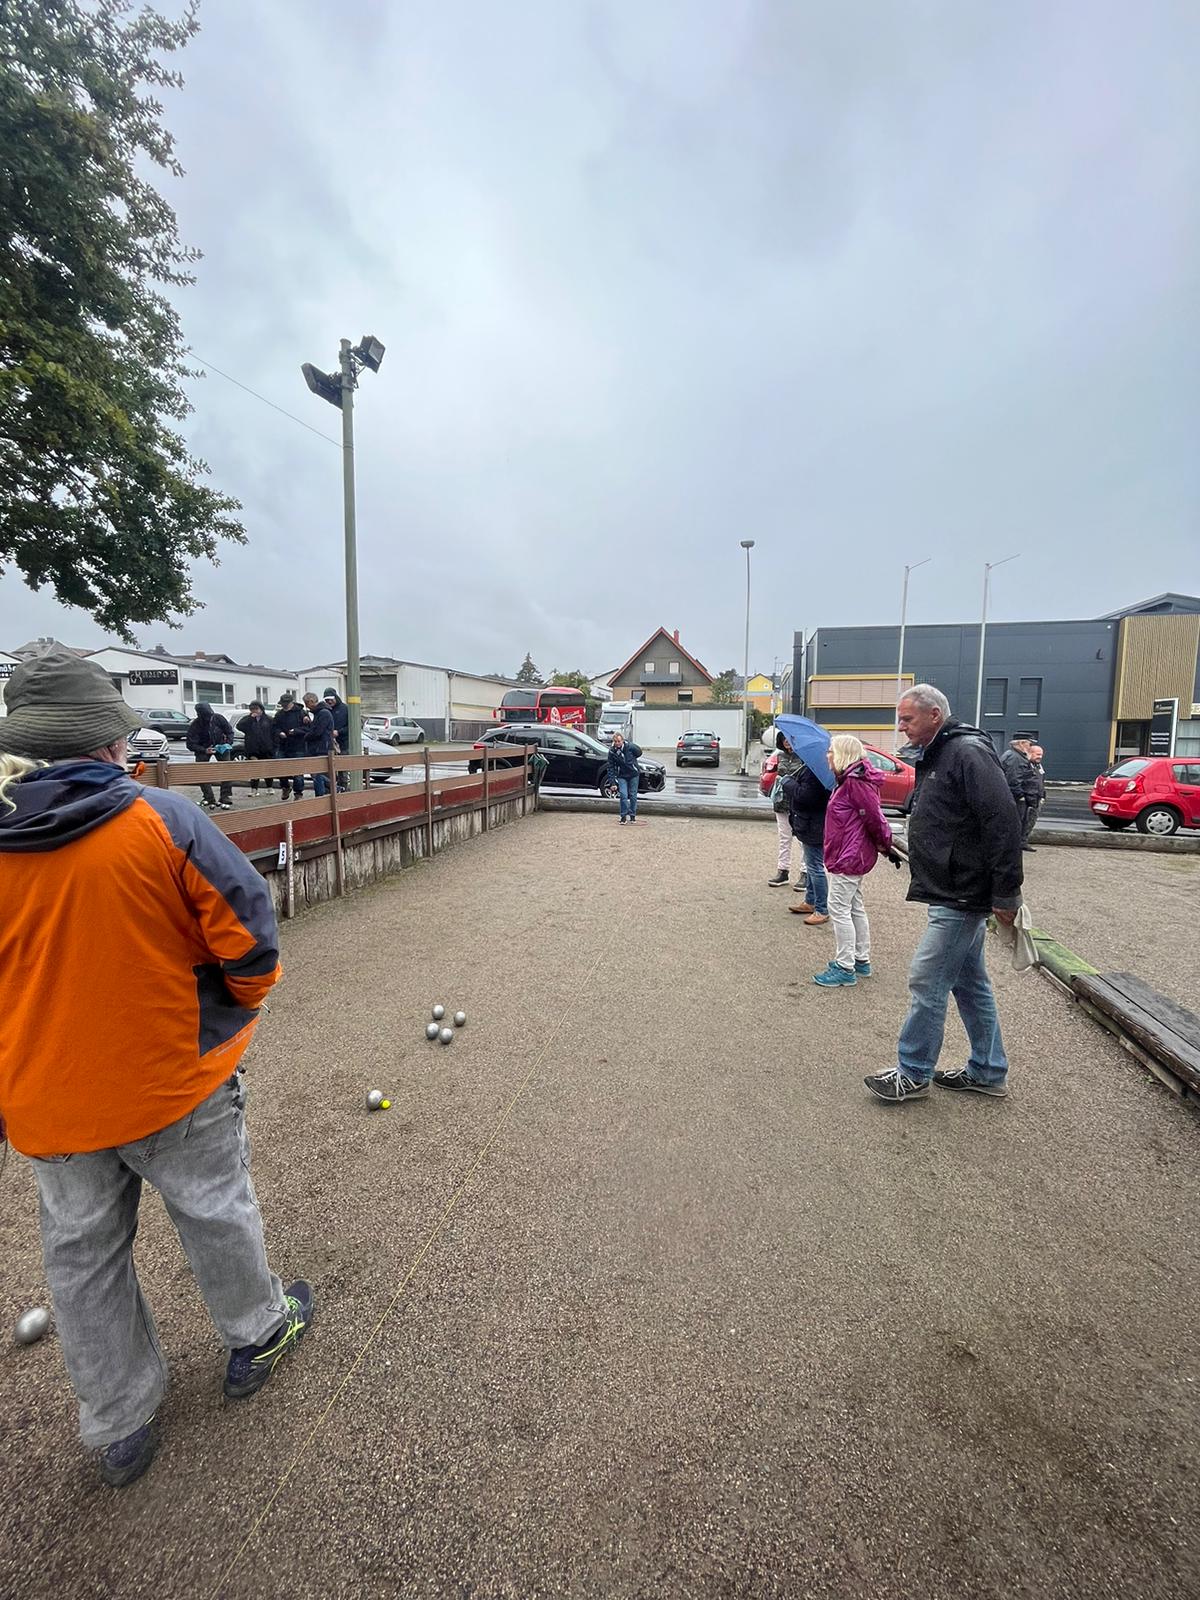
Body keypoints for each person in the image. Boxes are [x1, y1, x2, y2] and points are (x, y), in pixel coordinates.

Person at [0, 647, 311, 1489]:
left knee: (82, 1260)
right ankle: (256, 1334)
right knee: (214, 1211)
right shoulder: (161, 818)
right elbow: (250, 940)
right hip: (170, 1078)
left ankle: (119, 1420)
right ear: (108, 739)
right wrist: (232, 1009)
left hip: (47, 1101)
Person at [864, 684, 1023, 1105]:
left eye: (907, 719)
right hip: (952, 888)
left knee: (927, 978)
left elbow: (1002, 821)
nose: (901, 727)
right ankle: (987, 1070)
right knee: (970, 985)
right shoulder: (940, 752)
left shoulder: (967, 752)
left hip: (963, 893)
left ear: (934, 714)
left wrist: (1007, 892)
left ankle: (913, 1072)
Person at [813, 734, 895, 987]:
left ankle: (845, 966)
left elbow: (875, 817)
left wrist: (885, 844)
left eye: (831, 751)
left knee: (839, 908)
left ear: (842, 755)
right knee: (853, 906)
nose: (827, 755)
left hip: (848, 855)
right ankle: (860, 959)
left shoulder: (854, 782)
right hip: (850, 853)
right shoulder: (851, 780)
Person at [784, 756, 831, 925]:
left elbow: (805, 796)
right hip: (810, 823)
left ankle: (822, 909)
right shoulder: (814, 768)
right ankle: (811, 901)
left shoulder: (816, 771)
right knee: (812, 865)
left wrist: (788, 783)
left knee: (815, 867)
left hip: (814, 825)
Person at [765, 732, 808, 888]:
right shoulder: (780, 756)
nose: (786, 742)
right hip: (782, 801)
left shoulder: (804, 757)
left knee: (803, 839)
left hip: (798, 801)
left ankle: (805, 872)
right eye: (784, 739)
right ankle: (783, 871)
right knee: (784, 838)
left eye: (789, 738)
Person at [186, 701, 235, 809]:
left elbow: (230, 732)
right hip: (203, 748)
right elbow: (190, 744)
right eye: (206, 716)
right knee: (201, 771)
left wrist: (228, 743)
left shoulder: (219, 718)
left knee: (227, 769)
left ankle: (225, 796)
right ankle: (208, 797)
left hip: (221, 746)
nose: (209, 718)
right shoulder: (195, 725)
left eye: (210, 715)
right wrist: (204, 750)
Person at [1000, 736, 1040, 853]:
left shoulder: (1015, 755)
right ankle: (1011, 848)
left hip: (1015, 796)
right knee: (1015, 823)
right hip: (1016, 798)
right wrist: (1021, 796)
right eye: (1029, 744)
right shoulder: (1015, 758)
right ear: (1022, 744)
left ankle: (1014, 845)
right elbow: (1013, 779)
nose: (1030, 747)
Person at [297, 691, 335, 799]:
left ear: (311, 701)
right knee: (318, 775)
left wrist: (306, 736)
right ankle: (326, 795)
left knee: (319, 775)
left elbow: (318, 731)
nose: (306, 707)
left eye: (307, 703)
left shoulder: (323, 713)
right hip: (320, 747)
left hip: (321, 748)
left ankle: (326, 794)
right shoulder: (321, 713)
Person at [273, 691, 308, 800]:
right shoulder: (279, 714)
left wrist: (296, 731)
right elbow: (274, 727)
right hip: (283, 745)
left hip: (298, 746)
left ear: (291, 703)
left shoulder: (301, 713)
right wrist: (279, 732)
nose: (284, 706)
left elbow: (308, 728)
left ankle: (298, 793)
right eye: (283, 704)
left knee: (298, 771)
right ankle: (285, 787)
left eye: (286, 704)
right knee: (280, 767)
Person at [237, 701, 277, 794]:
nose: (254, 711)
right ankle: (254, 789)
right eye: (252, 709)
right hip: (253, 749)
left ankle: (270, 787)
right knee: (254, 769)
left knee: (267, 769)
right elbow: (239, 726)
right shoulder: (248, 719)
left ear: (261, 709)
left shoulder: (269, 720)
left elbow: (274, 733)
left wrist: (273, 746)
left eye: (256, 709)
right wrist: (250, 719)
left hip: (266, 749)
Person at [606, 731, 643, 824]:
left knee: (633, 795)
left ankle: (632, 815)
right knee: (623, 795)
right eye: (615, 741)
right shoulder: (612, 751)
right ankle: (623, 816)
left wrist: (633, 763)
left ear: (622, 740)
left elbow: (639, 752)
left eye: (619, 741)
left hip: (633, 774)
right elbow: (610, 767)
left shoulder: (630, 747)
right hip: (622, 775)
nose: (617, 743)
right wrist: (612, 782)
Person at [323, 689, 351, 792]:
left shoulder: (345, 709)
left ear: (335, 697)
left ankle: (343, 790)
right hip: (329, 744)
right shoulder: (325, 710)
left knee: (343, 769)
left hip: (343, 743)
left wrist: (339, 732)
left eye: (331, 699)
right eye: (327, 700)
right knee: (329, 769)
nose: (329, 701)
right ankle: (332, 791)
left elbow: (352, 726)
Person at [1023, 744, 1046, 851]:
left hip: (1037, 798)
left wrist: (1043, 795)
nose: (1040, 757)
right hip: (1029, 799)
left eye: (1041, 755)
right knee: (1025, 821)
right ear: (1030, 753)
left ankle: (1024, 841)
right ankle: (1021, 842)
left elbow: (1041, 781)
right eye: (1037, 754)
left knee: (1031, 821)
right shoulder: (1026, 765)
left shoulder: (1039, 766)